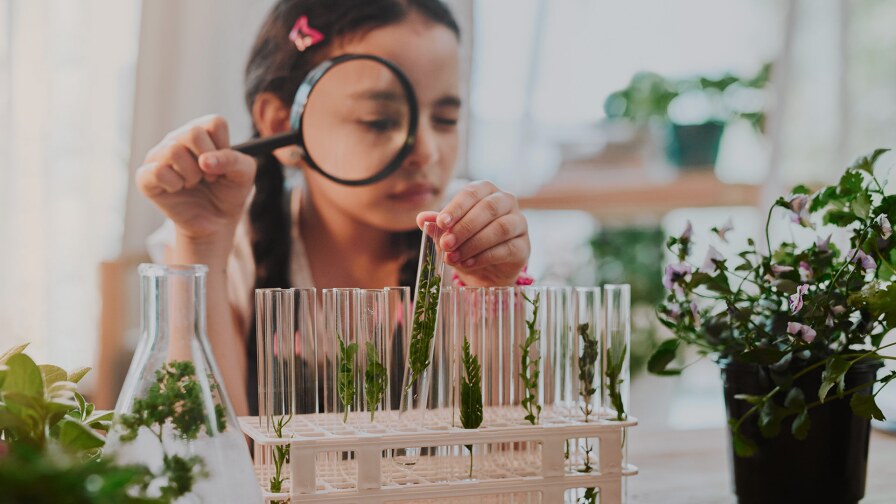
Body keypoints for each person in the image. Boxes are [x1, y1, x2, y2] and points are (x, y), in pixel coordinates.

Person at [136, 0, 531, 416]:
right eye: (379, 121)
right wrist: (202, 241)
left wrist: (494, 291)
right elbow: (204, 454)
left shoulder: (471, 239)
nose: (427, 153)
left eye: (446, 120)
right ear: (281, 127)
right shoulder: (227, 249)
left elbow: (512, 455)